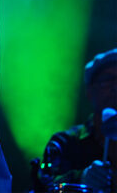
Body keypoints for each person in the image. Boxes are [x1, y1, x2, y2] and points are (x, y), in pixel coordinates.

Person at [39, 48, 117, 192]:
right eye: (107, 80)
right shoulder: (64, 143)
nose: (115, 87)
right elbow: (45, 185)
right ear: (89, 91)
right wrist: (82, 178)